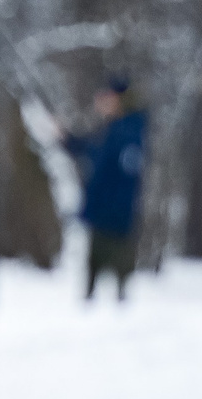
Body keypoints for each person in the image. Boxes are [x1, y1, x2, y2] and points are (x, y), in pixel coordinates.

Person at [62, 76, 148, 303]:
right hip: (103, 213)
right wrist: (69, 141)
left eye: (106, 98)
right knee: (93, 273)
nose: (100, 103)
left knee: (118, 279)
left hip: (115, 215)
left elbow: (112, 165)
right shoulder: (114, 128)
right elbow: (93, 151)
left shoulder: (129, 130)